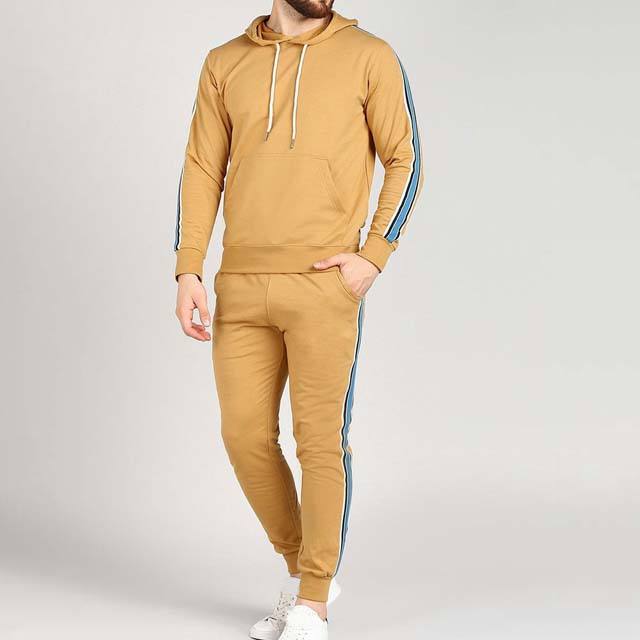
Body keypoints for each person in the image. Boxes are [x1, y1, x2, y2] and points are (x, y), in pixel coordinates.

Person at [174, 1, 423, 637]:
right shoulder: (224, 62)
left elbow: (406, 157)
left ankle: (313, 601)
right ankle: (303, 570)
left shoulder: (370, 56)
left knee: (320, 442)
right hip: (240, 282)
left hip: (323, 282)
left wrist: (374, 254)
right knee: (244, 438)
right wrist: (188, 268)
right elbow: (202, 167)